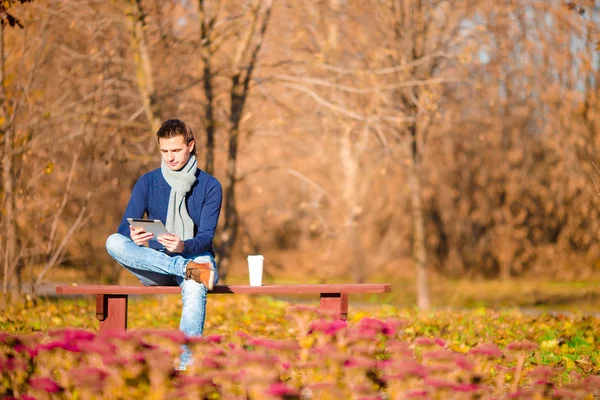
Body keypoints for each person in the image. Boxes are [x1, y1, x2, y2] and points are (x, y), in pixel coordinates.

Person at [105, 119, 222, 369]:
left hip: (195, 255)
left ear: (190, 146)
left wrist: (182, 246)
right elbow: (123, 228)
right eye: (164, 151)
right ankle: (185, 269)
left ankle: (186, 369)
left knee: (194, 287)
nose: (170, 157)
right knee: (113, 241)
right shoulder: (147, 182)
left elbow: (206, 237)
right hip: (159, 264)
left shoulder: (211, 186)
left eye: (176, 150)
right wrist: (132, 235)